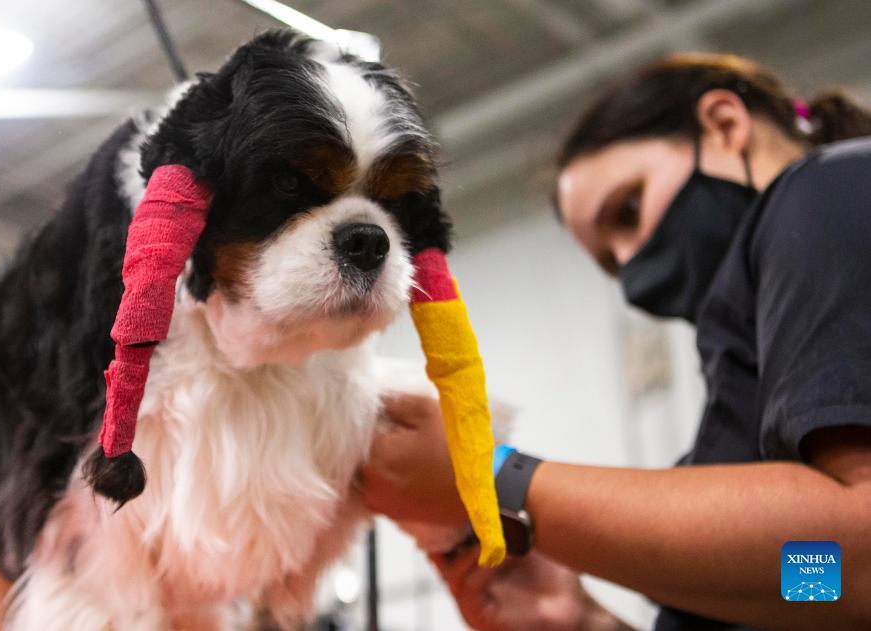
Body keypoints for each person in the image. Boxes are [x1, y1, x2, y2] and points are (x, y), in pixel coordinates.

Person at [359, 53, 871, 631]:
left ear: (726, 125)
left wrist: (494, 476)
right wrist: (581, 619)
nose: (631, 268)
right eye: (609, 263)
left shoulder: (829, 186)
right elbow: (817, 583)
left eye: (628, 209)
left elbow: (854, 561)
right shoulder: (750, 396)